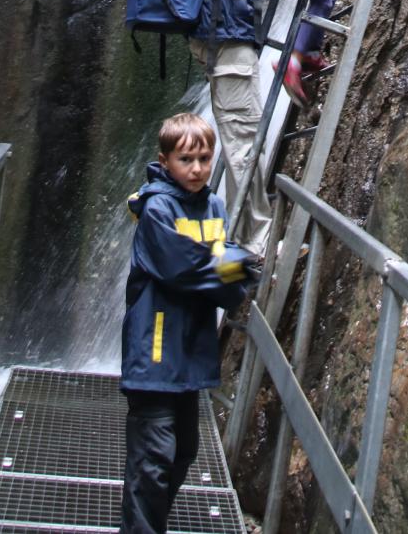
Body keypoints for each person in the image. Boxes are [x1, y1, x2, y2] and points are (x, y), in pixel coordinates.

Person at [187, 0, 340, 258]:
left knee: (239, 135)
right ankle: (254, 245)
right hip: (225, 34)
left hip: (215, 30)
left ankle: (243, 234)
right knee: (243, 139)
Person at [119, 112, 253, 534]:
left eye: (205, 159)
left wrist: (232, 271)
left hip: (192, 351)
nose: (197, 169)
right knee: (153, 456)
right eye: (186, 159)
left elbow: (218, 271)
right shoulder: (157, 209)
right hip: (155, 351)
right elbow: (184, 266)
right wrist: (240, 265)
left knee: (184, 452)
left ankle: (149, 521)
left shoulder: (213, 205)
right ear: (165, 161)